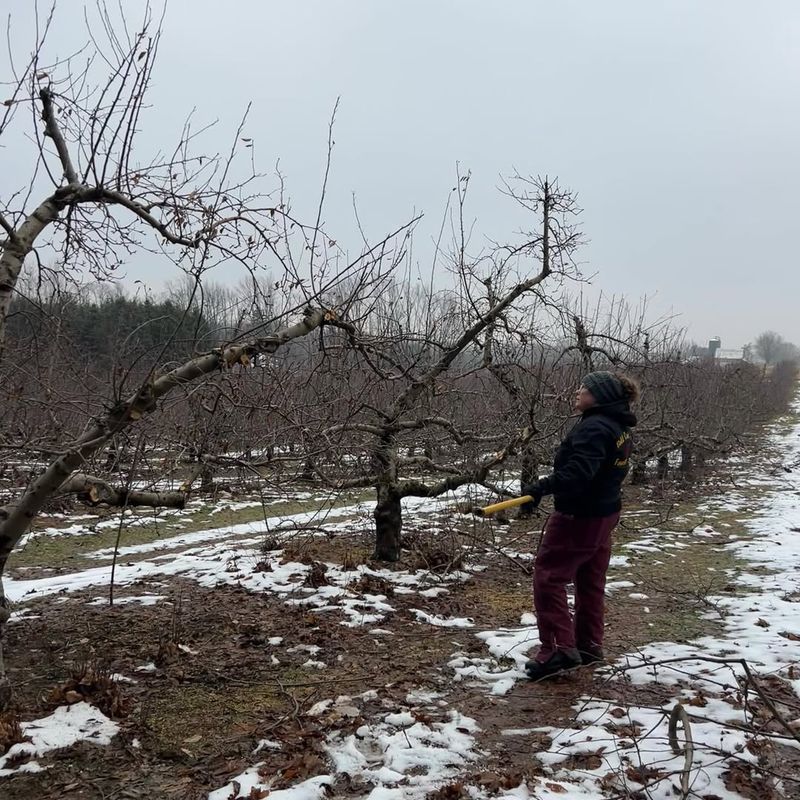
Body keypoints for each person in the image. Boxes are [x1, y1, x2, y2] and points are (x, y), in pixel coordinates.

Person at [521, 370, 640, 681]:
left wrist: (540, 488)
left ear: (598, 397)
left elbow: (577, 475)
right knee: (590, 580)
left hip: (580, 517)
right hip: (604, 515)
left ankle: (558, 650)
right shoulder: (617, 427)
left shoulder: (595, 429)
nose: (577, 392)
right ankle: (587, 645)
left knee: (548, 578)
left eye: (583, 389)